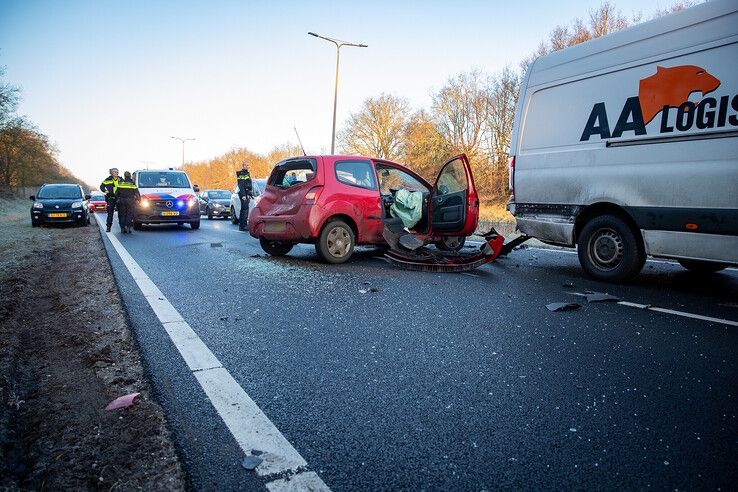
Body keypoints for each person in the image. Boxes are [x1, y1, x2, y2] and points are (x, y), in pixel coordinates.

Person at [100, 168, 121, 232]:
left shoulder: (121, 179)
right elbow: (101, 186)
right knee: (110, 214)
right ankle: (108, 227)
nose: (117, 173)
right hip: (110, 198)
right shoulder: (107, 179)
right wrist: (105, 190)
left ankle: (122, 228)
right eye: (115, 172)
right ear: (111, 173)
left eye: (117, 172)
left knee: (121, 214)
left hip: (119, 198)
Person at [236, 162, 253, 231]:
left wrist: (250, 195)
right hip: (243, 194)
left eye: (248, 165)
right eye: (246, 165)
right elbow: (241, 185)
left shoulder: (246, 173)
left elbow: (248, 185)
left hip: (246, 193)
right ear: (243, 166)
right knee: (245, 210)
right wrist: (243, 195)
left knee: (244, 209)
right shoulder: (241, 174)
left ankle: (242, 225)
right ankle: (243, 226)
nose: (247, 166)